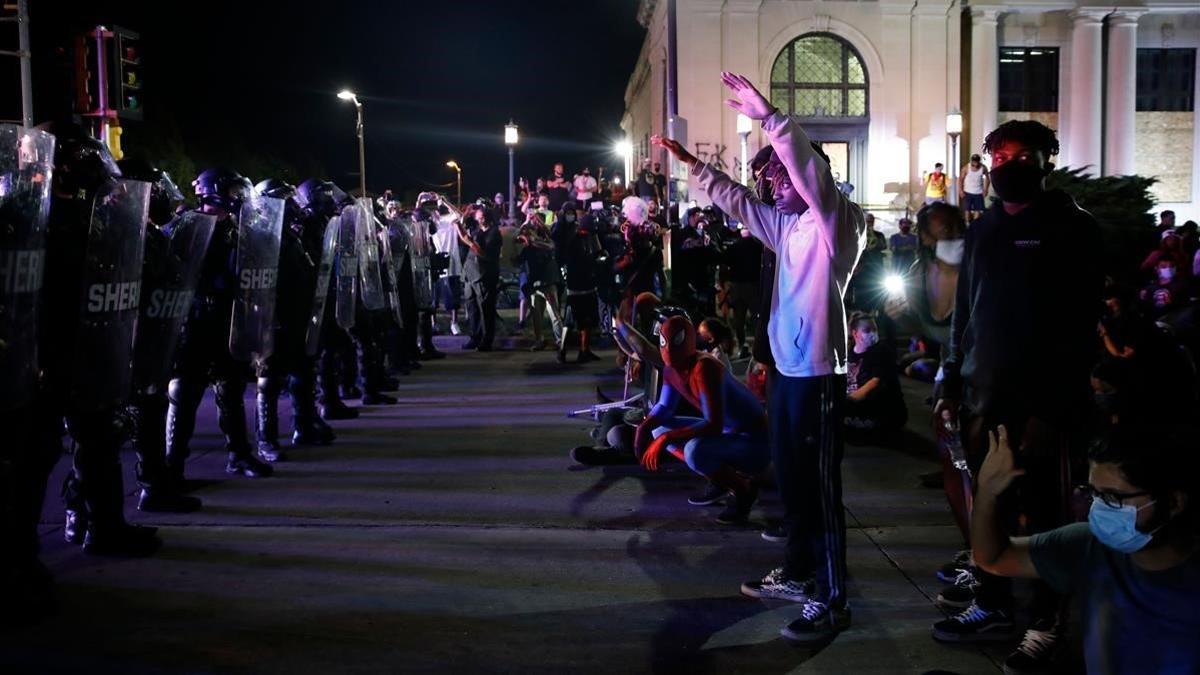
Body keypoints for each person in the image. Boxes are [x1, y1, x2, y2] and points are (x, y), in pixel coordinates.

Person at [656, 70, 866, 642]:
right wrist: (692, 167)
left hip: (820, 374)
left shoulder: (836, 223)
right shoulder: (788, 225)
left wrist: (771, 120)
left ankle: (832, 598)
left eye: (781, 173)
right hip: (789, 371)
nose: (773, 183)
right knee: (793, 484)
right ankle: (800, 574)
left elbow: (812, 178)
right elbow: (739, 203)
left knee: (820, 491)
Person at [933, 120, 1104, 674]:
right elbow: (965, 312)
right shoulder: (983, 232)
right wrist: (950, 379)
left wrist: (1054, 409)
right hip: (986, 395)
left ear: (1046, 161)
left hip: (1044, 406)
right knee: (990, 505)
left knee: (1048, 515)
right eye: (998, 156)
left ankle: (1048, 622)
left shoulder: (1072, 229)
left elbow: (1079, 328)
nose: (1008, 165)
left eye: (1021, 155)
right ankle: (992, 602)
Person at [970, 425, 1199, 675]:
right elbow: (992, 558)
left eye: (1113, 497)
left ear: (1174, 502)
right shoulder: (1089, 546)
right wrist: (987, 493)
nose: (1100, 509)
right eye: (1095, 494)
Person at [636, 315, 769, 524]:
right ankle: (720, 478)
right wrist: (643, 427)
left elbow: (712, 424)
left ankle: (743, 489)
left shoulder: (703, 368)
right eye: (664, 342)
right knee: (658, 429)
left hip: (753, 442)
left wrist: (667, 438)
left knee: (693, 450)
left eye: (675, 340)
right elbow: (664, 407)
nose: (668, 348)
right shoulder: (672, 370)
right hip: (728, 434)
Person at [554, 202, 604, 364]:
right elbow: (571, 259)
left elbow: (597, 253)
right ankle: (562, 350)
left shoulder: (588, 238)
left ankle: (584, 350)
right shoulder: (572, 239)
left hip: (588, 283)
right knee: (570, 319)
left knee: (587, 320)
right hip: (575, 284)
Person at [843, 313, 907, 435]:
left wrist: (845, 404)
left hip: (881, 413)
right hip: (856, 408)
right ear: (855, 333)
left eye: (875, 329)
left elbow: (874, 383)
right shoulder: (848, 355)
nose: (873, 333)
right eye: (867, 330)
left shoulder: (882, 352)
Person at [514, 217, 563, 351]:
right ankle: (539, 340)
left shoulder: (545, 243)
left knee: (554, 313)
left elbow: (550, 247)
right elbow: (517, 260)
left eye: (529, 231)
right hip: (534, 284)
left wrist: (532, 240)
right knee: (536, 315)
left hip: (547, 283)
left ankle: (560, 341)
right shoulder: (528, 247)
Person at [458, 204, 502, 351]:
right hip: (470, 274)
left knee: (485, 308)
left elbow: (485, 254)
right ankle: (474, 337)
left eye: (478, 216)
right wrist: (458, 225)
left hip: (484, 275)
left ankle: (486, 339)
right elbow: (466, 238)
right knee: (472, 307)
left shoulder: (494, 234)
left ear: (485, 218)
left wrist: (470, 242)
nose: (476, 218)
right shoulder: (479, 231)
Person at [720, 227, 763, 359]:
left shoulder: (734, 247)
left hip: (737, 287)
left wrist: (725, 282)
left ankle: (742, 344)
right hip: (753, 287)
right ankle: (759, 346)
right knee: (757, 317)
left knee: (739, 319)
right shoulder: (758, 247)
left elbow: (724, 263)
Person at [428, 193, 464, 337]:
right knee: (433, 298)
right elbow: (416, 216)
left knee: (453, 296)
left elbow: (459, 214)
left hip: (452, 263)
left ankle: (454, 323)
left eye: (435, 209)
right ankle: (433, 324)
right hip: (437, 264)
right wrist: (419, 199)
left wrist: (445, 201)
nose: (433, 212)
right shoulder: (431, 225)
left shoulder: (448, 220)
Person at [959, 153, 990, 222]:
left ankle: (975, 225)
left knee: (978, 209)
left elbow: (987, 179)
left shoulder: (983, 168)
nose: (975, 163)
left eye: (977, 161)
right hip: (967, 192)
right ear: (972, 161)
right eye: (974, 161)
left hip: (978, 192)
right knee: (967, 209)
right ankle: (967, 224)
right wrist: (960, 190)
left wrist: (986, 190)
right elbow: (961, 179)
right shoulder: (966, 168)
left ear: (979, 161)